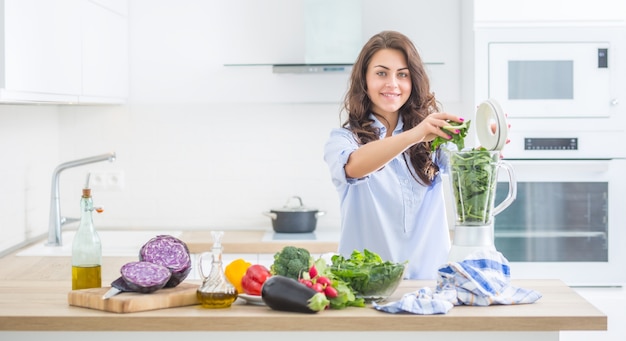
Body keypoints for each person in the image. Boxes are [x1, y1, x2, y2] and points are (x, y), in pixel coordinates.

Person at [323, 30, 465, 280]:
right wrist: (415, 134)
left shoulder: (434, 139)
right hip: (364, 289)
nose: (392, 83)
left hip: (429, 287)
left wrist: (491, 141)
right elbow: (354, 166)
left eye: (402, 75)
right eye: (381, 73)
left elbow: (468, 172)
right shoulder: (343, 139)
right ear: (364, 80)